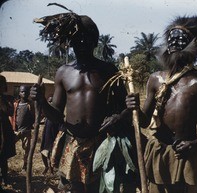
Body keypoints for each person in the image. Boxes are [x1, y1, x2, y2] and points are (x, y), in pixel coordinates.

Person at [31, 8, 137, 193]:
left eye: (85, 39)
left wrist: (117, 117)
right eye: (76, 40)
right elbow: (56, 115)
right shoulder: (63, 72)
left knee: (102, 188)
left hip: (103, 142)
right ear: (70, 43)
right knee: (76, 188)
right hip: (73, 142)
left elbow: (126, 110)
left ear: (94, 41)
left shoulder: (108, 70)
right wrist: (41, 101)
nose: (80, 44)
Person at [126, 16, 197, 193]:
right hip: (159, 154)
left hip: (188, 154)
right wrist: (132, 107)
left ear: (192, 46)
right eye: (171, 41)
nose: (174, 46)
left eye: (180, 41)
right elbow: (143, 121)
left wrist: (194, 144)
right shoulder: (155, 79)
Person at [11, 85, 35, 172]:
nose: (24, 93)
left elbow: (34, 117)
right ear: (19, 93)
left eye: (26, 91)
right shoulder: (15, 104)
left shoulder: (30, 104)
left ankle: (25, 167)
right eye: (22, 92)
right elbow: (12, 116)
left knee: (26, 151)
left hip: (26, 131)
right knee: (8, 146)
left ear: (28, 93)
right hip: (16, 131)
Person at [0, 75, 16, 186]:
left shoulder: (7, 99)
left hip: (4, 130)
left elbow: (10, 112)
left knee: (3, 156)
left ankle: (5, 177)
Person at [40, 96, 61, 175]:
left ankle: (51, 170)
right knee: (43, 152)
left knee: (51, 155)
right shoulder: (46, 114)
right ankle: (46, 167)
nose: (50, 103)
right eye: (49, 101)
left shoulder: (57, 114)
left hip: (53, 137)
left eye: (52, 101)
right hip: (46, 136)